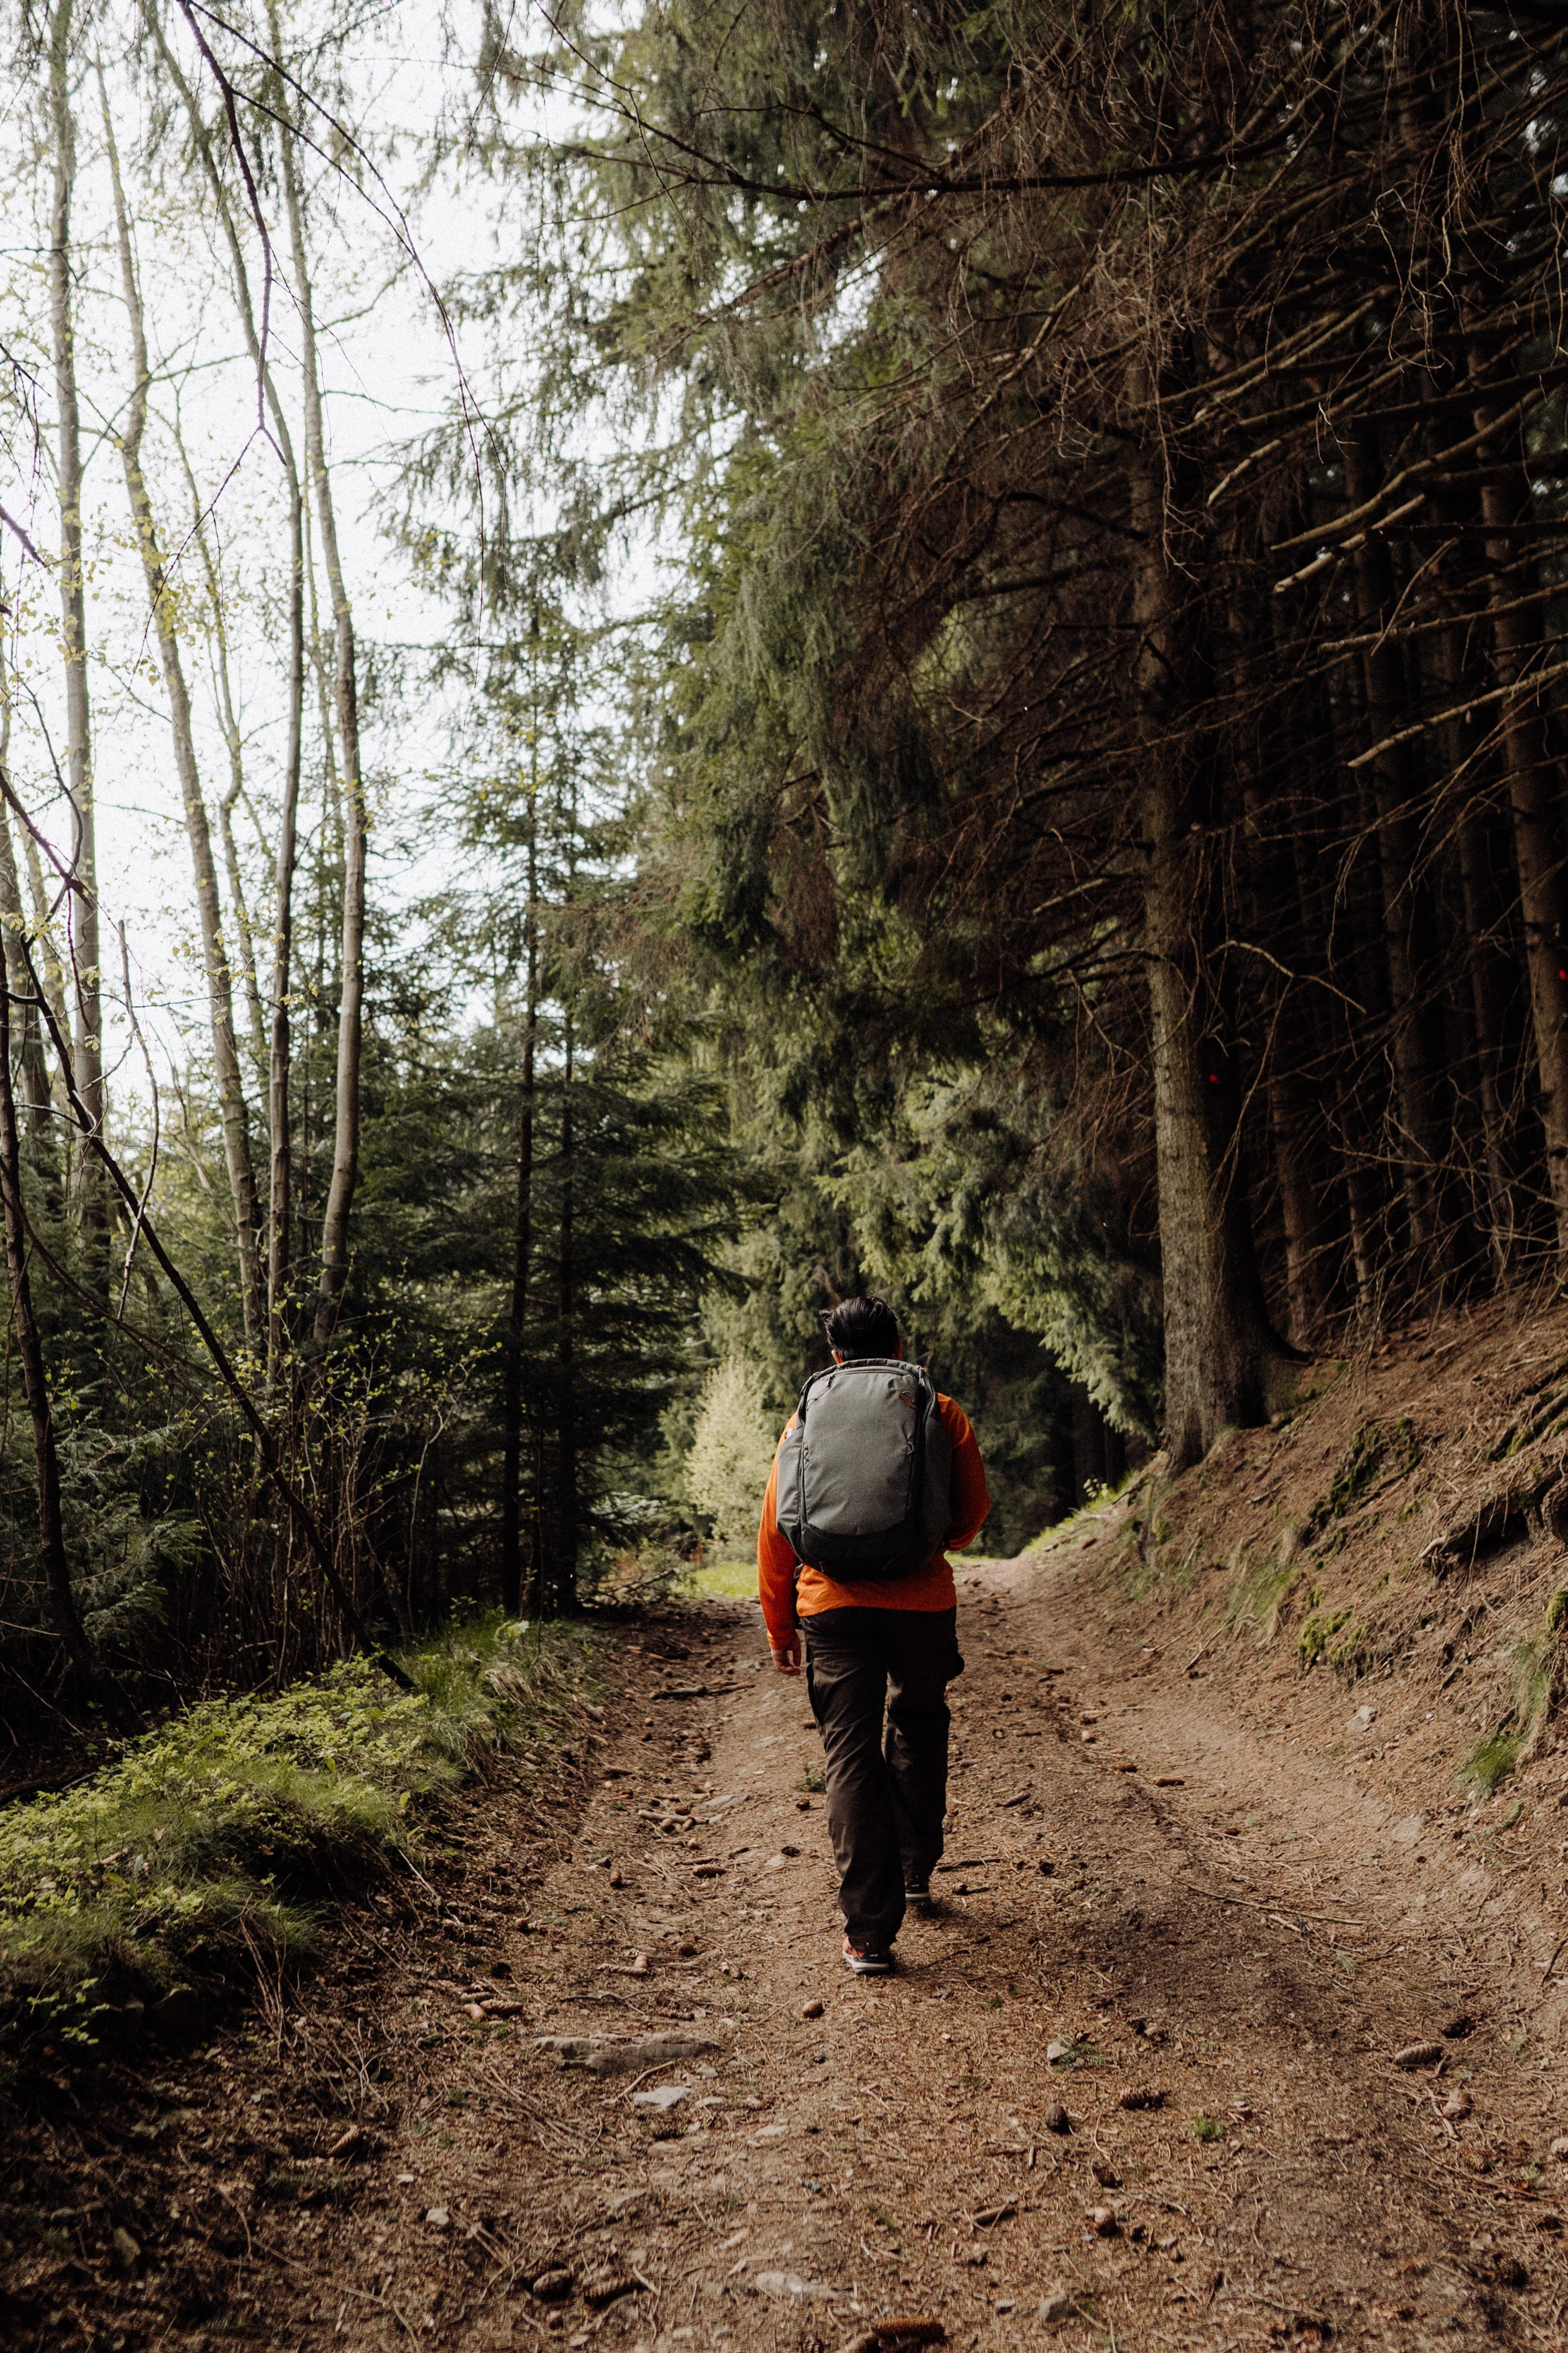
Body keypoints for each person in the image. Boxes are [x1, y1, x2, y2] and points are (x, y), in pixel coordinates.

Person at [756, 1295, 990, 1975]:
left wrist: (779, 1622)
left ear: (833, 1354)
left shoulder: (804, 1417)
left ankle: (867, 1935)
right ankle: (916, 1871)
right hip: (921, 1602)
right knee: (918, 1721)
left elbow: (777, 1528)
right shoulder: (939, 1410)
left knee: (849, 1755)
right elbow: (970, 1513)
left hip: (830, 1608)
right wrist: (919, 1546)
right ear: (896, 1344)